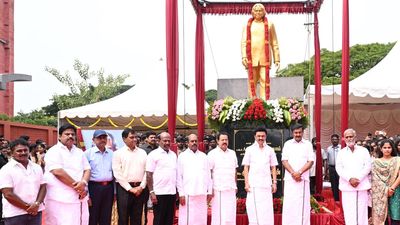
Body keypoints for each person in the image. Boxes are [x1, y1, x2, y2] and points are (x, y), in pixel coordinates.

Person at [44, 124, 91, 225]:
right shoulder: (53, 151)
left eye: (72, 134)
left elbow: (87, 169)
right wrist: (79, 188)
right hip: (60, 199)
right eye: (67, 134)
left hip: (79, 198)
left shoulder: (79, 152)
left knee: (81, 221)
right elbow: (57, 172)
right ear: (59, 136)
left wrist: (83, 182)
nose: (70, 136)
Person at [0, 139, 46, 225]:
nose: (23, 153)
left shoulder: (36, 167)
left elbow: (43, 186)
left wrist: (37, 204)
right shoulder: (6, 170)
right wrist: (28, 207)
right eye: (19, 151)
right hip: (15, 215)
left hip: (36, 212)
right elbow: (8, 194)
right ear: (12, 153)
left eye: (25, 150)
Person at [241, 3, 280, 100]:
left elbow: (274, 42)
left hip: (265, 58)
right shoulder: (247, 26)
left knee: (265, 80)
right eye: (256, 11)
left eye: (260, 11)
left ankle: (264, 103)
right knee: (252, 82)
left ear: (264, 12)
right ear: (252, 12)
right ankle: (252, 103)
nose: (258, 13)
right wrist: (244, 56)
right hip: (251, 58)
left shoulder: (270, 25)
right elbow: (243, 42)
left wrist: (277, 59)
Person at [242, 126, 278, 225]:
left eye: (263, 136)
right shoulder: (249, 149)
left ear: (266, 136)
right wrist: (246, 183)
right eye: (258, 136)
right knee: (253, 210)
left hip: (266, 185)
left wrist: (274, 183)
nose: (261, 138)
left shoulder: (270, 150)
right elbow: (246, 167)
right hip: (253, 185)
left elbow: (273, 167)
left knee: (266, 210)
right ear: (255, 136)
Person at [336, 128, 371, 225]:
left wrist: (358, 179)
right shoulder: (341, 152)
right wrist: (350, 179)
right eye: (347, 137)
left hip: (362, 186)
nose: (349, 139)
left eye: (351, 136)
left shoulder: (364, 151)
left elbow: (368, 166)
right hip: (347, 187)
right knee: (349, 212)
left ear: (355, 137)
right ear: (344, 139)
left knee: (362, 212)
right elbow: (339, 168)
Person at [112, 128, 147, 225]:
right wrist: (129, 188)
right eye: (131, 137)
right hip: (124, 190)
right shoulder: (118, 153)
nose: (135, 139)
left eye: (136, 137)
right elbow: (117, 173)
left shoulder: (142, 153)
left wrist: (141, 187)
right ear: (124, 139)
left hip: (140, 189)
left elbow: (146, 171)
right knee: (123, 217)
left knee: (137, 217)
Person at [281, 123, 314, 225]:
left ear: (303, 132)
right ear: (292, 133)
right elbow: (284, 160)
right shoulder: (287, 144)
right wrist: (293, 173)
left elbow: (310, 161)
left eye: (300, 132)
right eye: (296, 133)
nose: (298, 134)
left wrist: (299, 172)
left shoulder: (308, 144)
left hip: (302, 179)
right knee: (290, 204)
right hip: (290, 180)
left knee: (302, 205)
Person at [177, 134, 212, 225]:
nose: (194, 143)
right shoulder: (182, 156)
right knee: (187, 220)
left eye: (196, 141)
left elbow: (208, 175)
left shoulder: (204, 156)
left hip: (202, 193)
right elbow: (179, 177)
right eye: (192, 141)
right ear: (188, 143)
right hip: (188, 193)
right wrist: (181, 193)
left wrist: (209, 191)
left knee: (201, 218)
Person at [146, 132, 177, 225]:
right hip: (159, 193)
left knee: (169, 220)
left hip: (171, 192)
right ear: (159, 141)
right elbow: (148, 174)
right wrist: (151, 192)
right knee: (159, 220)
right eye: (165, 141)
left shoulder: (173, 155)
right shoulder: (153, 154)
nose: (167, 143)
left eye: (169, 141)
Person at [207, 131, 238, 225]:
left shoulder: (232, 153)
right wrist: (210, 189)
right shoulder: (212, 154)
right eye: (222, 140)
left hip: (231, 189)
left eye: (226, 140)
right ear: (217, 141)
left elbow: (235, 171)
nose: (224, 141)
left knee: (230, 215)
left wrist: (235, 185)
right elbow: (209, 172)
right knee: (219, 217)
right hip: (218, 190)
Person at [85, 130, 114, 225]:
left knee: (106, 216)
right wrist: (87, 194)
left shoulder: (111, 153)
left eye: (104, 137)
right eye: (99, 138)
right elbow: (83, 174)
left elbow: (114, 173)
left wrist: (114, 192)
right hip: (93, 188)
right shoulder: (87, 154)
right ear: (93, 140)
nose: (102, 140)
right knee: (93, 216)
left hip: (108, 188)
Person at [371, 139, 400, 225]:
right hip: (380, 192)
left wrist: (392, 188)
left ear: (392, 148)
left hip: (396, 191)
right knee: (383, 217)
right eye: (385, 147)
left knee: (395, 217)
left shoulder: (397, 160)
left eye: (389, 147)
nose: (387, 149)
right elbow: (375, 179)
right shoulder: (376, 162)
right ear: (381, 149)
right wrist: (386, 190)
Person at [324, 134, 341, 201]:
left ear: (338, 140)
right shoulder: (328, 149)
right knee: (333, 183)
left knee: (340, 182)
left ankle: (341, 197)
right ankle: (336, 198)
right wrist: (326, 170)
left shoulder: (341, 147)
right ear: (331, 140)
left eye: (336, 139)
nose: (334, 141)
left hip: (339, 167)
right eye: (333, 139)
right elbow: (327, 160)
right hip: (331, 167)